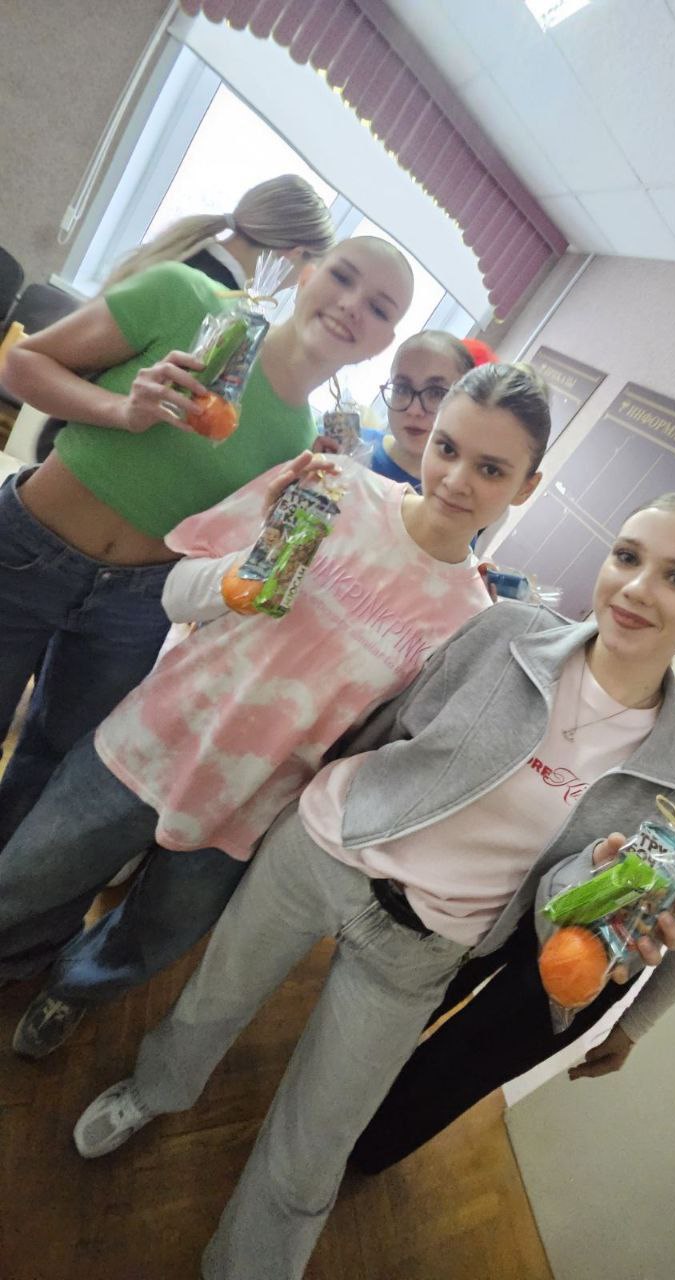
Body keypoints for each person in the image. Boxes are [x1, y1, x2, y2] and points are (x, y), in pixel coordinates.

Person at [71, 491, 675, 1280]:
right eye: (628, 557)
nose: (636, 588)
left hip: (428, 944)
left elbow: (564, 901)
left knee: (317, 1142)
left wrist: (606, 924)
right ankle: (154, 1091)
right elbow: (397, 725)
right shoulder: (506, 631)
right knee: (210, 1004)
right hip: (325, 851)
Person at [0, 363, 548, 1055]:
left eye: (491, 469)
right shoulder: (333, 487)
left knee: (154, 933)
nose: (457, 480)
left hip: (253, 804)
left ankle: (73, 990)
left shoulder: (469, 622)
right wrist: (238, 579)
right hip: (158, 734)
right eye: (448, 448)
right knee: (31, 876)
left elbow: (376, 746)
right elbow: (175, 592)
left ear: (525, 487)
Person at [349, 611, 675, 1175]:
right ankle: (319, 1104)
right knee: (400, 1007)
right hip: (520, 894)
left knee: (455, 1074)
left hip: (600, 960)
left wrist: (635, 1026)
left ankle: (345, 1164)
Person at [0, 235, 408, 844]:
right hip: (25, 549)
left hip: (133, 608)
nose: (353, 305)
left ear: (383, 343)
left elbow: (219, 555)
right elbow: (21, 363)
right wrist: (121, 409)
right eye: (343, 277)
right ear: (304, 274)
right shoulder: (187, 300)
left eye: (378, 308)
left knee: (47, 768)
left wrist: (290, 517)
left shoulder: (304, 444)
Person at [33, 175, 336, 462]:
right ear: (295, 254)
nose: (296, 284)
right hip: (78, 447)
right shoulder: (202, 298)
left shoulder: (190, 259)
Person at [104, 173, 334, 291]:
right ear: (295, 253)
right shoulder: (215, 302)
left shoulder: (182, 251)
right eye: (311, 266)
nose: (298, 283)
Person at [363, 330, 477, 490]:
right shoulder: (348, 447)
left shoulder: (455, 495)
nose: (414, 410)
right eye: (402, 388)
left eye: (436, 393)